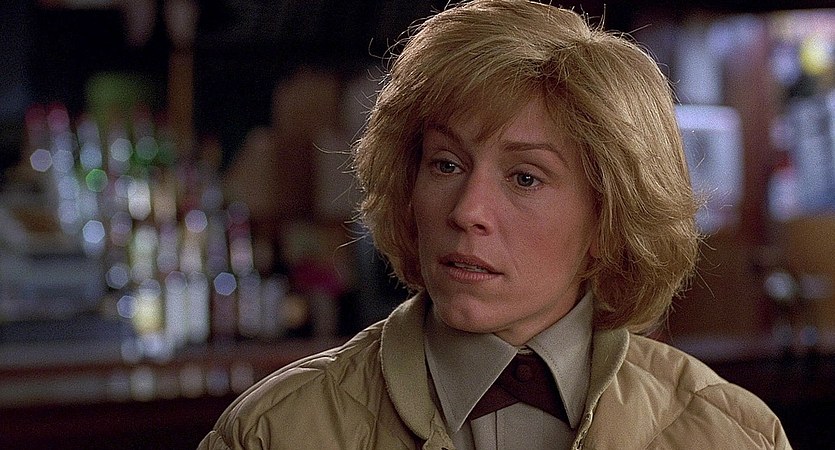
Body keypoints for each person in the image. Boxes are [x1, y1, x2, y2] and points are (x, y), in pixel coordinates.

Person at [199, 1, 791, 448]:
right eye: (446, 165)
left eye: (525, 178)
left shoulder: (729, 434)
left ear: (608, 220)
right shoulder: (275, 431)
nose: (466, 211)